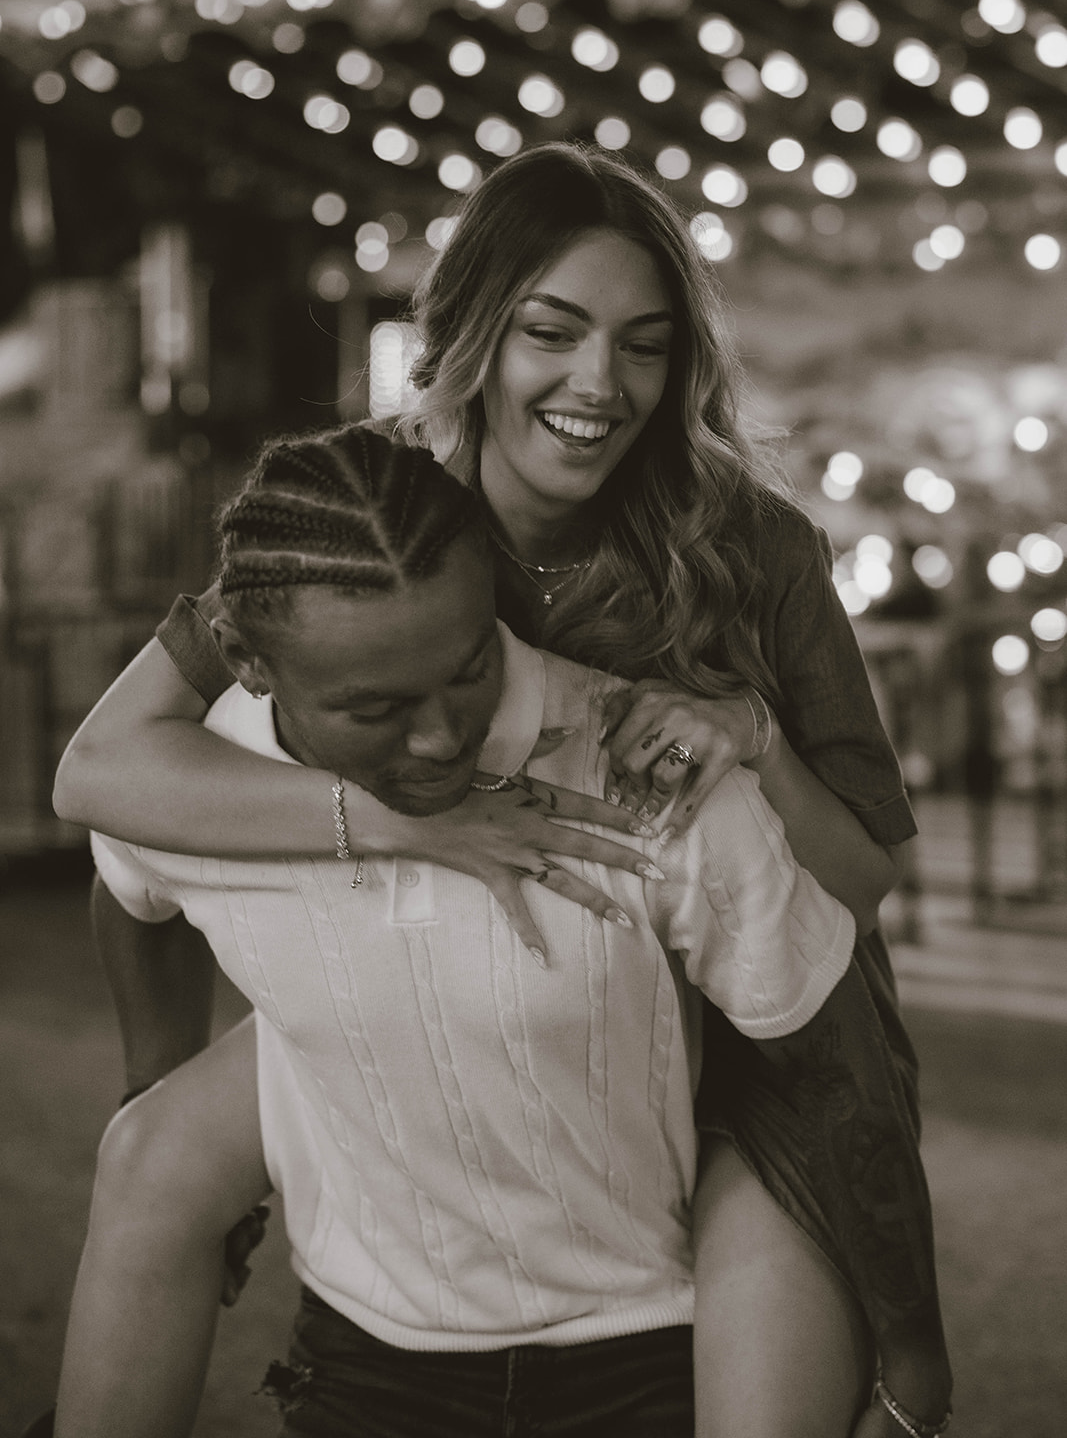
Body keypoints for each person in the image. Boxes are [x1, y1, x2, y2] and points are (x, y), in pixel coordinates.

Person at [53, 143, 952, 1435]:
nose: (602, 384)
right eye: (553, 331)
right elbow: (103, 775)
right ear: (474, 326)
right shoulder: (367, 508)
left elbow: (862, 883)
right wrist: (403, 825)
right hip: (473, 983)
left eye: (645, 343)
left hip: (742, 1008)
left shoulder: (748, 538)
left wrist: (750, 731)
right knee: (149, 1159)